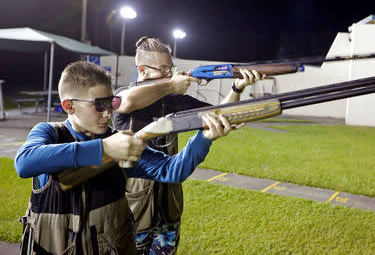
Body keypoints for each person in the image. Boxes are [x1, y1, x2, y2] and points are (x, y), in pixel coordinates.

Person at [14, 61, 240, 254]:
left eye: (111, 103)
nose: (109, 113)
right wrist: (104, 149)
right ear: (68, 106)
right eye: (99, 105)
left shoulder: (119, 142)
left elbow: (171, 170)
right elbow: (24, 163)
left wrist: (205, 137)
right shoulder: (49, 132)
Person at [113, 37, 264, 254]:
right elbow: (125, 102)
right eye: (163, 69)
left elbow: (220, 114)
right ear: (142, 69)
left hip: (168, 208)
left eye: (171, 68)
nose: (170, 74)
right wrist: (171, 84)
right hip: (134, 211)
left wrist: (237, 87)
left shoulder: (173, 100)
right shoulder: (124, 96)